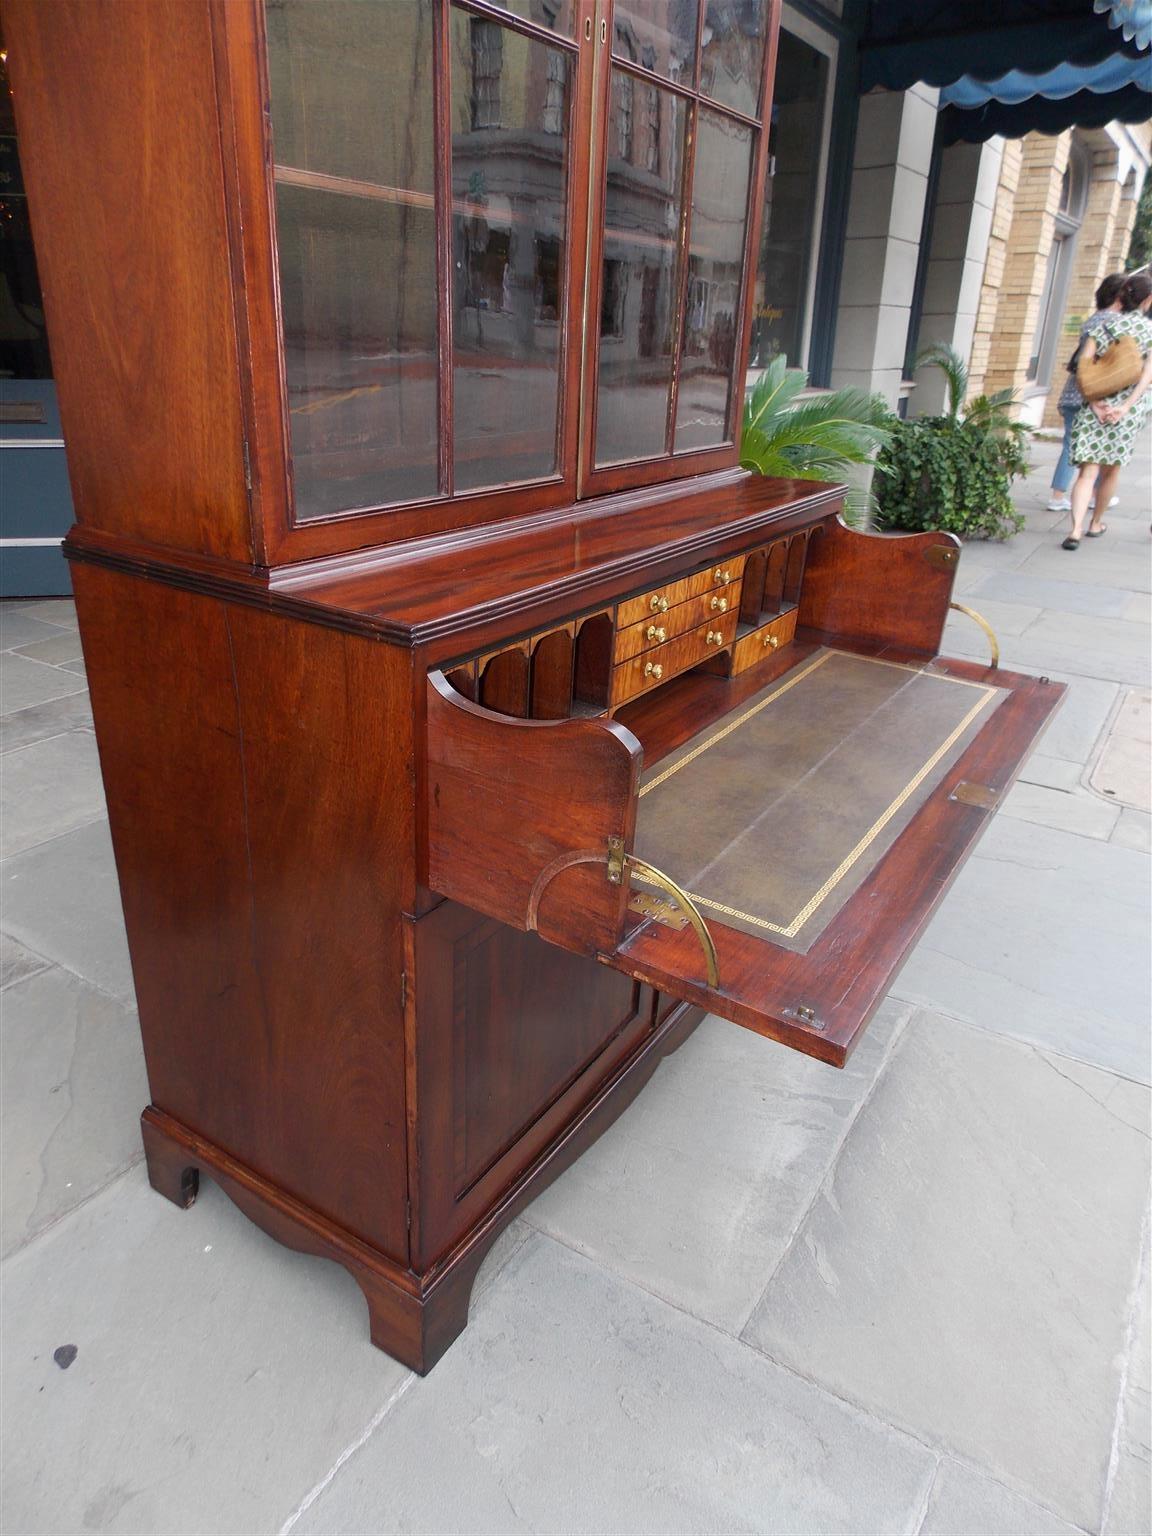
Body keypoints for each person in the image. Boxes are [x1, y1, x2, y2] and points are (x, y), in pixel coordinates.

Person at [1062, 271, 1152, 550]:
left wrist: (1094, 402)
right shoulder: (1149, 332)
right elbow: (1147, 375)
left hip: (1095, 407)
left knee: (1087, 471)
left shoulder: (1103, 327)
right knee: (1110, 471)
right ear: (1147, 300)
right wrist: (1125, 406)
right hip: (1126, 411)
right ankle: (1095, 523)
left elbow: (1082, 366)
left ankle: (1074, 530)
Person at [1048, 272, 1125, 513]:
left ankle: (1058, 494)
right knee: (1100, 448)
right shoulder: (1115, 323)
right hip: (1095, 394)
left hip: (1074, 391)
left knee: (1071, 445)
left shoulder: (1092, 319)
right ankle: (1094, 494)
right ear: (1120, 295)